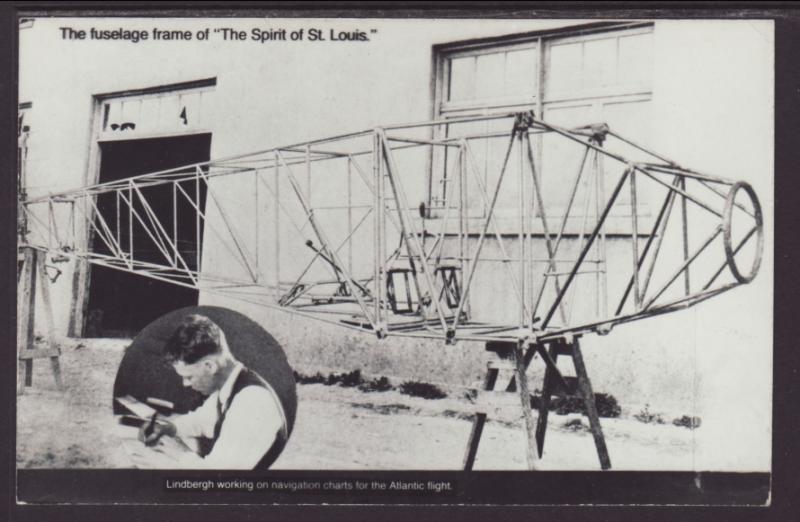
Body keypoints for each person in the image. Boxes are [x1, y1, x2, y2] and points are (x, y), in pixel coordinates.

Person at [138, 314, 288, 470]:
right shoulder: (229, 387)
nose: (185, 384)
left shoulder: (252, 400)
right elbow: (202, 420)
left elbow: (218, 475)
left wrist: (180, 453)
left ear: (210, 366)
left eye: (189, 377)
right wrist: (169, 428)